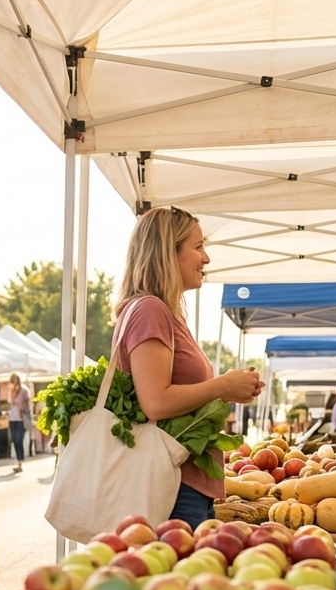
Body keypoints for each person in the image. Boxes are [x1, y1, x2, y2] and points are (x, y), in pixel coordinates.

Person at [113, 207, 264, 529]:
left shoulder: (164, 313)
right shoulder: (150, 310)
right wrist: (223, 386)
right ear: (168, 254)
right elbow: (156, 402)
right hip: (173, 486)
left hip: (185, 482)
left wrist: (232, 389)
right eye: (197, 247)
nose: (206, 258)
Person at [6, 373, 31, 473]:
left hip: (21, 419)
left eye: (15, 381)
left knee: (19, 440)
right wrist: (11, 392)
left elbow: (23, 402)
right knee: (14, 440)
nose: (14, 383)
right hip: (12, 418)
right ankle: (18, 461)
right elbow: (9, 401)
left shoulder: (24, 390)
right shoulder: (11, 390)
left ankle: (20, 462)